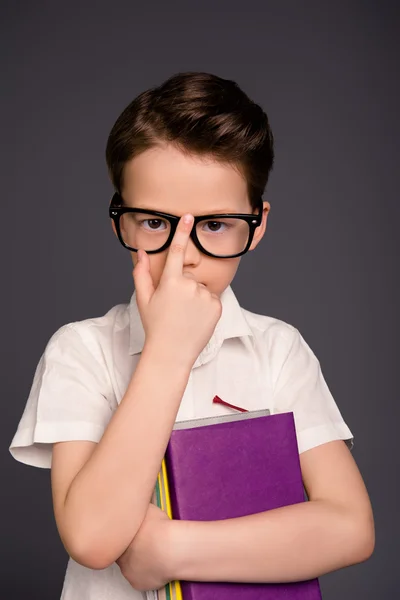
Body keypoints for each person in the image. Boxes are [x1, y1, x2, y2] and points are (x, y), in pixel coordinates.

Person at [9, 71, 375, 599]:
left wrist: (173, 549)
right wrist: (167, 351)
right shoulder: (81, 350)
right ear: (120, 223)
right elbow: (92, 537)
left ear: (258, 223)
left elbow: (350, 528)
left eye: (216, 224)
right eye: (156, 224)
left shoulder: (278, 350)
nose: (185, 256)